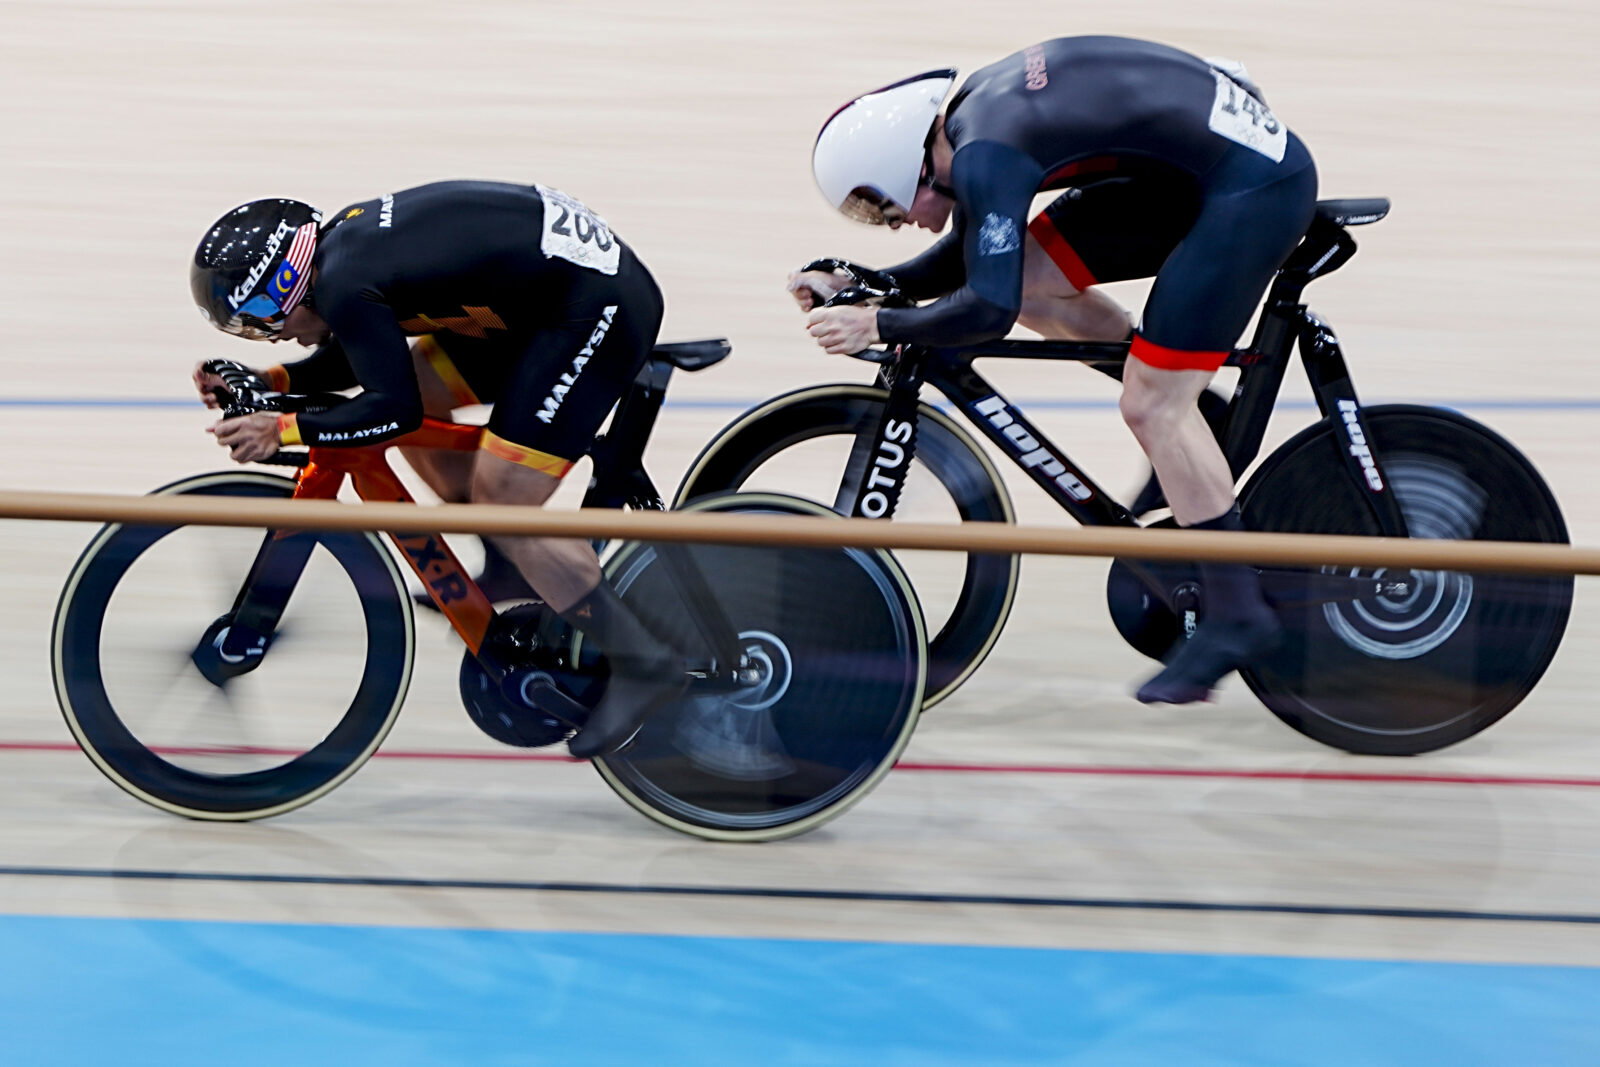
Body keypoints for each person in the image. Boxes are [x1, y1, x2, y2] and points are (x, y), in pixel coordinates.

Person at [791, 36, 1318, 705]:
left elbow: (986, 306)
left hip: (1252, 187)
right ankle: (1202, 412)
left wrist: (880, 324)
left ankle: (1240, 613)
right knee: (1039, 284)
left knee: (1152, 406)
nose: (898, 225)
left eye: (889, 209)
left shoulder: (988, 152)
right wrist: (871, 282)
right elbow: (987, 254)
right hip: (1187, 171)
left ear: (914, 169)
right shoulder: (973, 124)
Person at [189, 181, 683, 757]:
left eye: (262, 320)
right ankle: (514, 566)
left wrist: (283, 429)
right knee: (423, 393)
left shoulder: (346, 283)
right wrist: (271, 383)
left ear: (284, 284)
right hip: (535, 303)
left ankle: (647, 664)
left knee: (505, 501)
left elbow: (389, 410)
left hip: (592, 309)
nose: (272, 333)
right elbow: (363, 354)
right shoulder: (341, 261)